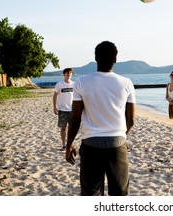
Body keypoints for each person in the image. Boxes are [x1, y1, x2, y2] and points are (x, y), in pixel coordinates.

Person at [65, 41, 136, 196]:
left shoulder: (82, 82)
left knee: (91, 193)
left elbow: (75, 119)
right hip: (117, 144)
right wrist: (121, 135)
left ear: (95, 58)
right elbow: (130, 120)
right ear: (115, 59)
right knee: (119, 194)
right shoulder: (126, 83)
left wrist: (69, 144)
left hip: (91, 145)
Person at [53, 68, 75, 150]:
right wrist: (55, 107)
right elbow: (55, 95)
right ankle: (63, 145)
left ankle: (70, 144)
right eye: (67, 72)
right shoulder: (59, 84)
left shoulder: (74, 84)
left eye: (70, 72)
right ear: (64, 74)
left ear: (72, 74)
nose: (69, 74)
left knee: (72, 128)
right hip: (62, 110)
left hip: (72, 110)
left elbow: (78, 97)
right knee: (63, 128)